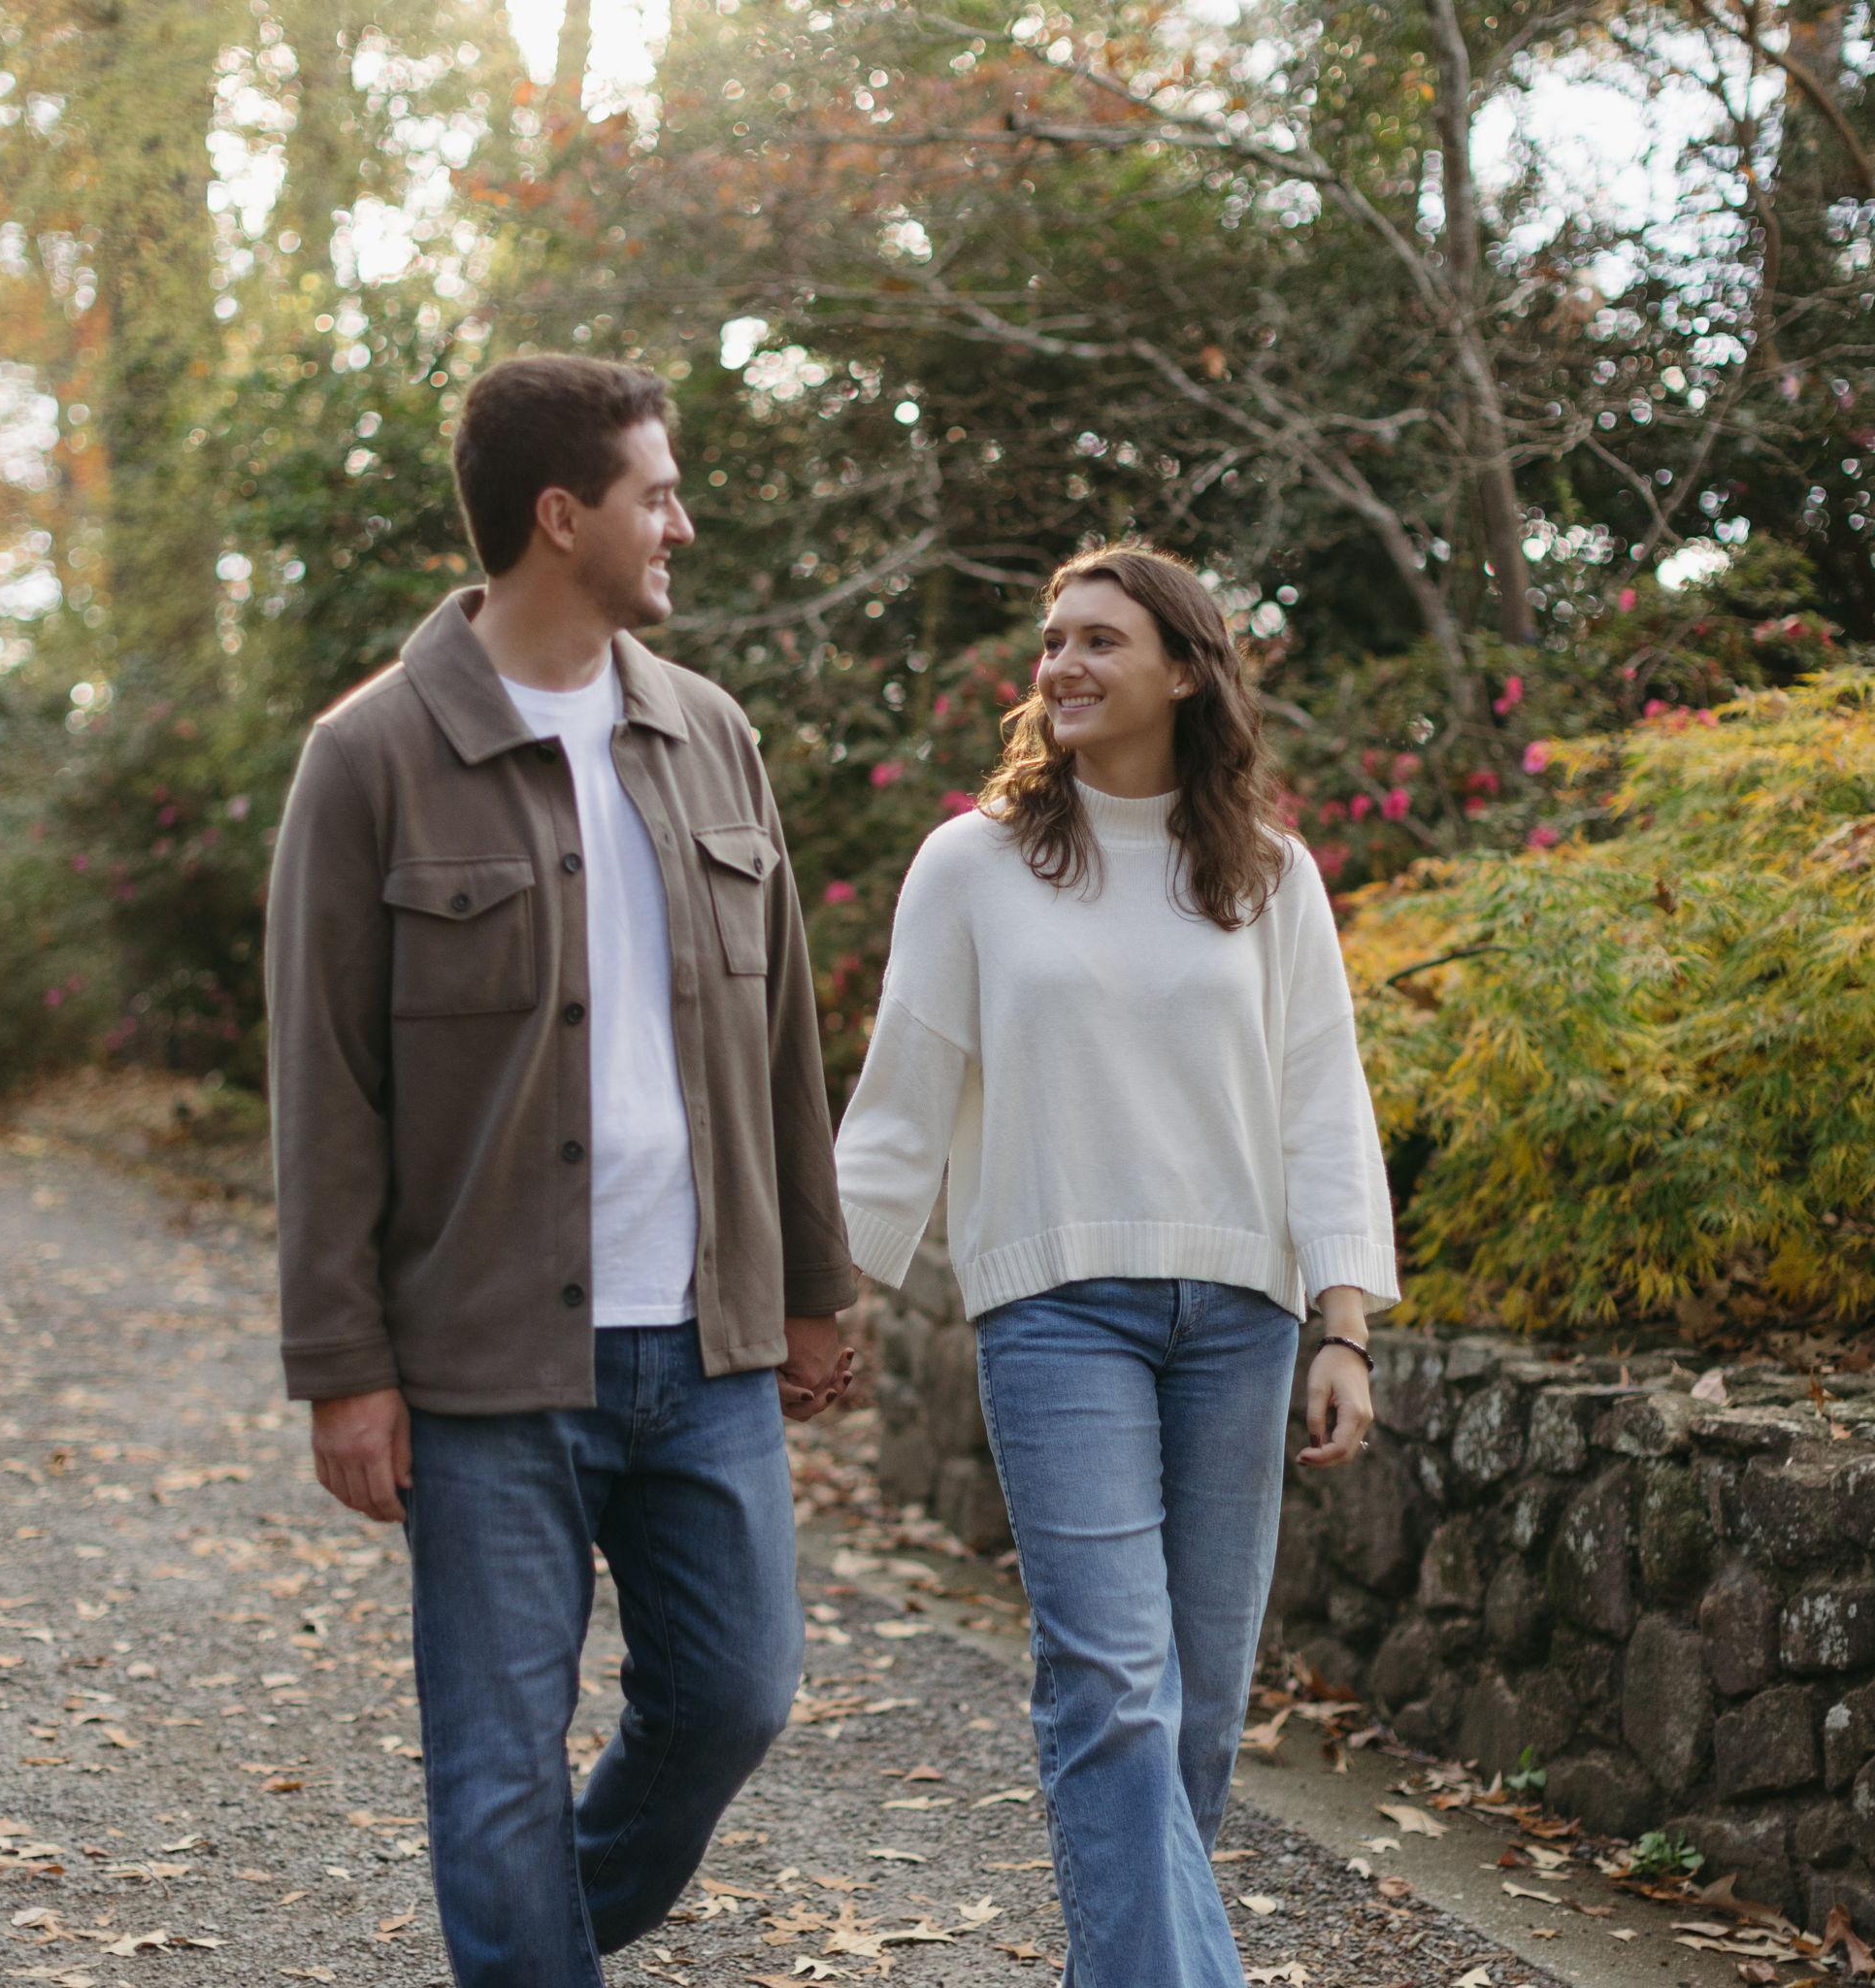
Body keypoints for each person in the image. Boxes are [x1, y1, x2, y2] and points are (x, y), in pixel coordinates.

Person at [265, 353, 857, 1988]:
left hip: (706, 1349)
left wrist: (814, 1289)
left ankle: (523, 1937)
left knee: (735, 1696)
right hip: (484, 1370)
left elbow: (785, 1040)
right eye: (655, 493)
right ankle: (516, 1935)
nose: (682, 521)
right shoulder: (372, 758)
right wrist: (343, 1371)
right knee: (497, 1763)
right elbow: (323, 1088)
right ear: (559, 517)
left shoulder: (710, 738)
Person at [834, 542, 1398, 1988]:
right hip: (1055, 1314)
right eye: (1051, 642)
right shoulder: (972, 865)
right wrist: (825, 1295)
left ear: (1186, 669)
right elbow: (900, 1105)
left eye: (1100, 641)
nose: (1063, 667)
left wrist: (1344, 1327)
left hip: (1242, 1318)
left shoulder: (1271, 879)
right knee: (1113, 1692)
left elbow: (1323, 1103)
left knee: (1199, 1712)